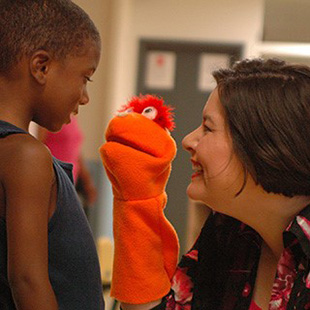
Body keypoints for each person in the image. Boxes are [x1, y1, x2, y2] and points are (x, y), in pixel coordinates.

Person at [102, 58, 310, 310]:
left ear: (266, 145)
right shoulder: (229, 233)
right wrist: (137, 202)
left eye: (208, 128)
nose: (188, 140)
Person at [0, 1, 104, 309]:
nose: (84, 96)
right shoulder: (25, 156)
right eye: (85, 77)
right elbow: (28, 280)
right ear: (41, 66)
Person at [37, 117, 98, 211]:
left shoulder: (72, 118)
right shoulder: (49, 116)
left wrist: (87, 182)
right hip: (53, 181)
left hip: (70, 181)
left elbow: (76, 152)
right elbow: (38, 145)